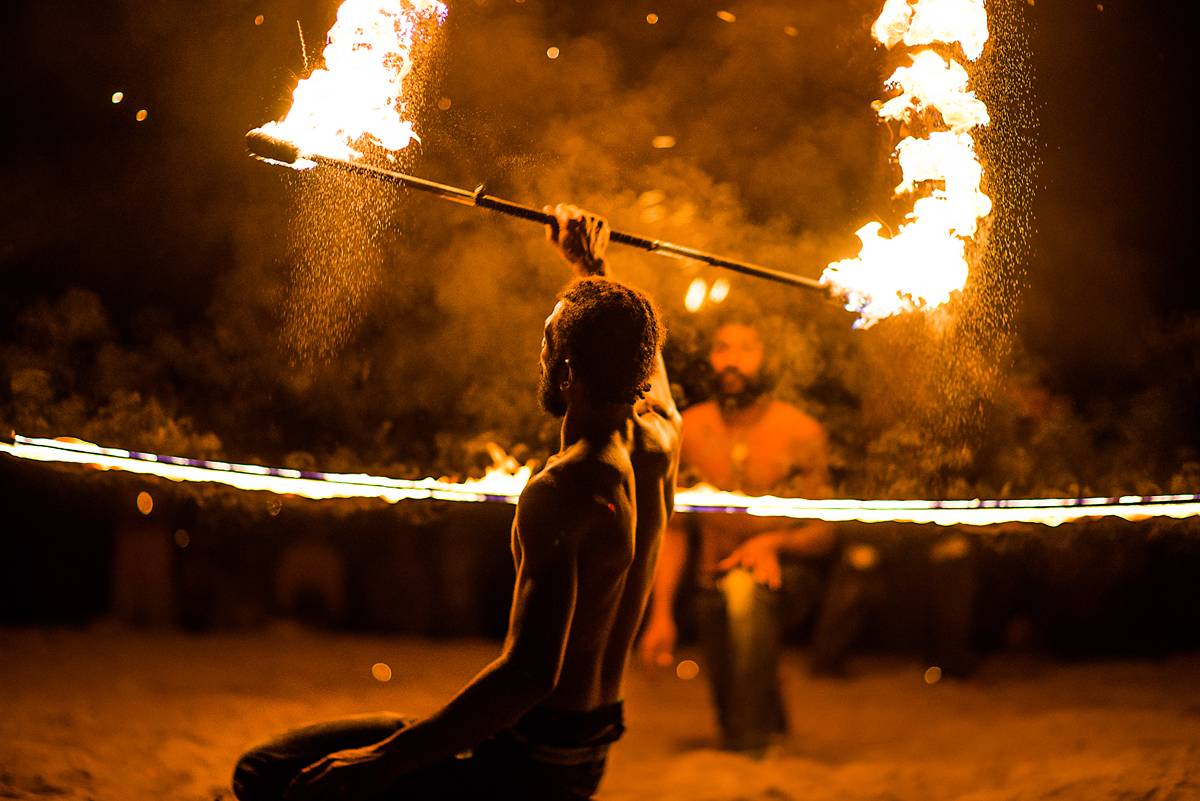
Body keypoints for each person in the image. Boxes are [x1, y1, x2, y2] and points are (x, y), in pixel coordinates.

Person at [231, 205, 680, 801]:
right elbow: (638, 351)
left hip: (521, 768)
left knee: (268, 775)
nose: (540, 355)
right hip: (584, 757)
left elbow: (529, 676)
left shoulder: (564, 489)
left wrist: (378, 762)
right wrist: (590, 267)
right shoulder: (658, 444)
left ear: (568, 371)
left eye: (547, 341)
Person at [638, 317, 837, 753]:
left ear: (770, 359)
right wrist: (660, 614)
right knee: (729, 707)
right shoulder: (688, 429)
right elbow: (675, 529)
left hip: (787, 578)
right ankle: (762, 719)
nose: (732, 361)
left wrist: (772, 543)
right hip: (711, 579)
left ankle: (752, 745)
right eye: (722, 347)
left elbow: (825, 529)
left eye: (747, 349)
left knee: (747, 591)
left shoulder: (800, 431)